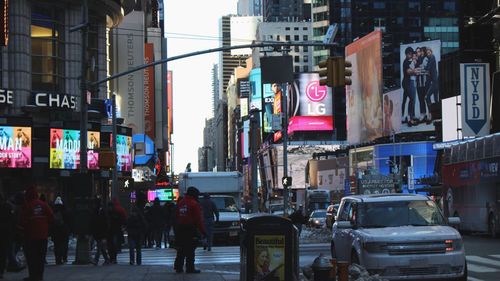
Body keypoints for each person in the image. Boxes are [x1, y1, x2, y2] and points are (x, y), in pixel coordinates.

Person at [19, 186, 54, 281]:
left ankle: (33, 276)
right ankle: (39, 276)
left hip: (30, 236)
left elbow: (22, 221)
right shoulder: (43, 204)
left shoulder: (27, 206)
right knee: (40, 258)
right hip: (43, 236)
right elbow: (51, 216)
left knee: (31, 258)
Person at [174, 186, 206, 274]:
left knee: (181, 249)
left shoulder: (180, 203)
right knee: (190, 250)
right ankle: (190, 268)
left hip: (180, 228)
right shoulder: (194, 204)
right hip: (190, 229)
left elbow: (176, 216)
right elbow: (198, 219)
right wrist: (203, 231)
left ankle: (178, 267)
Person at [51, 197, 70, 265]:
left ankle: (57, 258)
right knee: (63, 245)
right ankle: (63, 257)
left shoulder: (53, 211)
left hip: (55, 230)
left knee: (56, 245)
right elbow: (68, 220)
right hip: (63, 230)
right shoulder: (65, 211)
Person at [90, 198, 110, 265]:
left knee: (99, 246)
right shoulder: (98, 211)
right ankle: (106, 259)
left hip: (100, 231)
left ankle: (96, 260)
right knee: (101, 247)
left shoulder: (99, 211)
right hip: (99, 231)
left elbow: (103, 222)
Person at [0, 193, 14, 278]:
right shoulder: (8, 206)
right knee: (3, 251)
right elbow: (12, 219)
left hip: (5, 231)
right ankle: (1, 270)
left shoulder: (7, 206)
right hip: (6, 231)